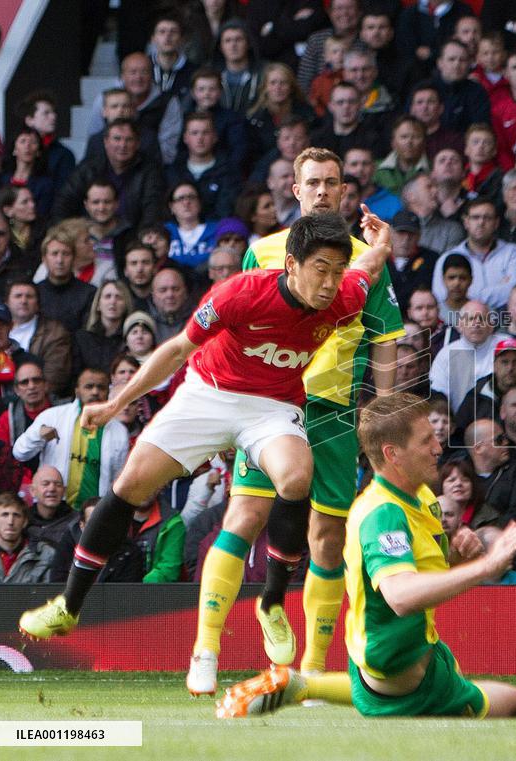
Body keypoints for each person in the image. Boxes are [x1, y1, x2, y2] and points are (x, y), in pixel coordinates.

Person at [18, 210, 390, 643]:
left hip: (272, 406)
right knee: (131, 485)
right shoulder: (239, 294)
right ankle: (69, 605)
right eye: (320, 270)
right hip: (208, 394)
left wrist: (380, 244)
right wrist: (117, 402)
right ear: (292, 264)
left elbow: (367, 268)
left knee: (296, 477)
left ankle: (271, 604)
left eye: (336, 271)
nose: (329, 283)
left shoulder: (346, 297)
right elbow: (176, 350)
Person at [216, 392, 516, 718]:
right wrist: (486, 567)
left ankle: (301, 683)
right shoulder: (383, 513)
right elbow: (401, 595)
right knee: (513, 705)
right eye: (425, 439)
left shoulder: (423, 496)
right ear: (392, 454)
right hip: (399, 669)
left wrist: (460, 562)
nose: (438, 446)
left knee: (447, 687)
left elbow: (423, 576)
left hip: (405, 648)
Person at [187, 149, 404, 696]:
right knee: (245, 515)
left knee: (326, 539)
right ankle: (205, 651)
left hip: (333, 414)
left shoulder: (365, 261)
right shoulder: (262, 252)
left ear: (345, 191)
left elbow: (383, 343)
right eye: (313, 183)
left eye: (333, 183)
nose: (324, 192)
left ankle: (307, 671)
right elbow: (227, 328)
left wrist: (382, 423)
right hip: (265, 403)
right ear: (295, 190)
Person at [12, 367, 129, 505]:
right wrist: (38, 435)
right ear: (77, 391)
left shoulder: (119, 431)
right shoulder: (53, 416)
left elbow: (118, 478)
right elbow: (19, 453)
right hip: (56, 507)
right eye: (89, 386)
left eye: (101, 387)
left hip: (93, 512)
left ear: (108, 392)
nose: (95, 392)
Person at [432, 198, 516, 311]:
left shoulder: (514, 253)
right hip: (463, 322)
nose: (481, 223)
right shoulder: (447, 257)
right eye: (475, 217)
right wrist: (499, 288)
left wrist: (466, 297)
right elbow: (440, 297)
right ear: (466, 222)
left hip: (505, 320)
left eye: (487, 218)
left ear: (496, 223)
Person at [0, 492, 55, 582]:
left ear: (24, 522)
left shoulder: (45, 554)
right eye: (5, 515)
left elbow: (49, 593)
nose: (10, 522)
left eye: (16, 515)